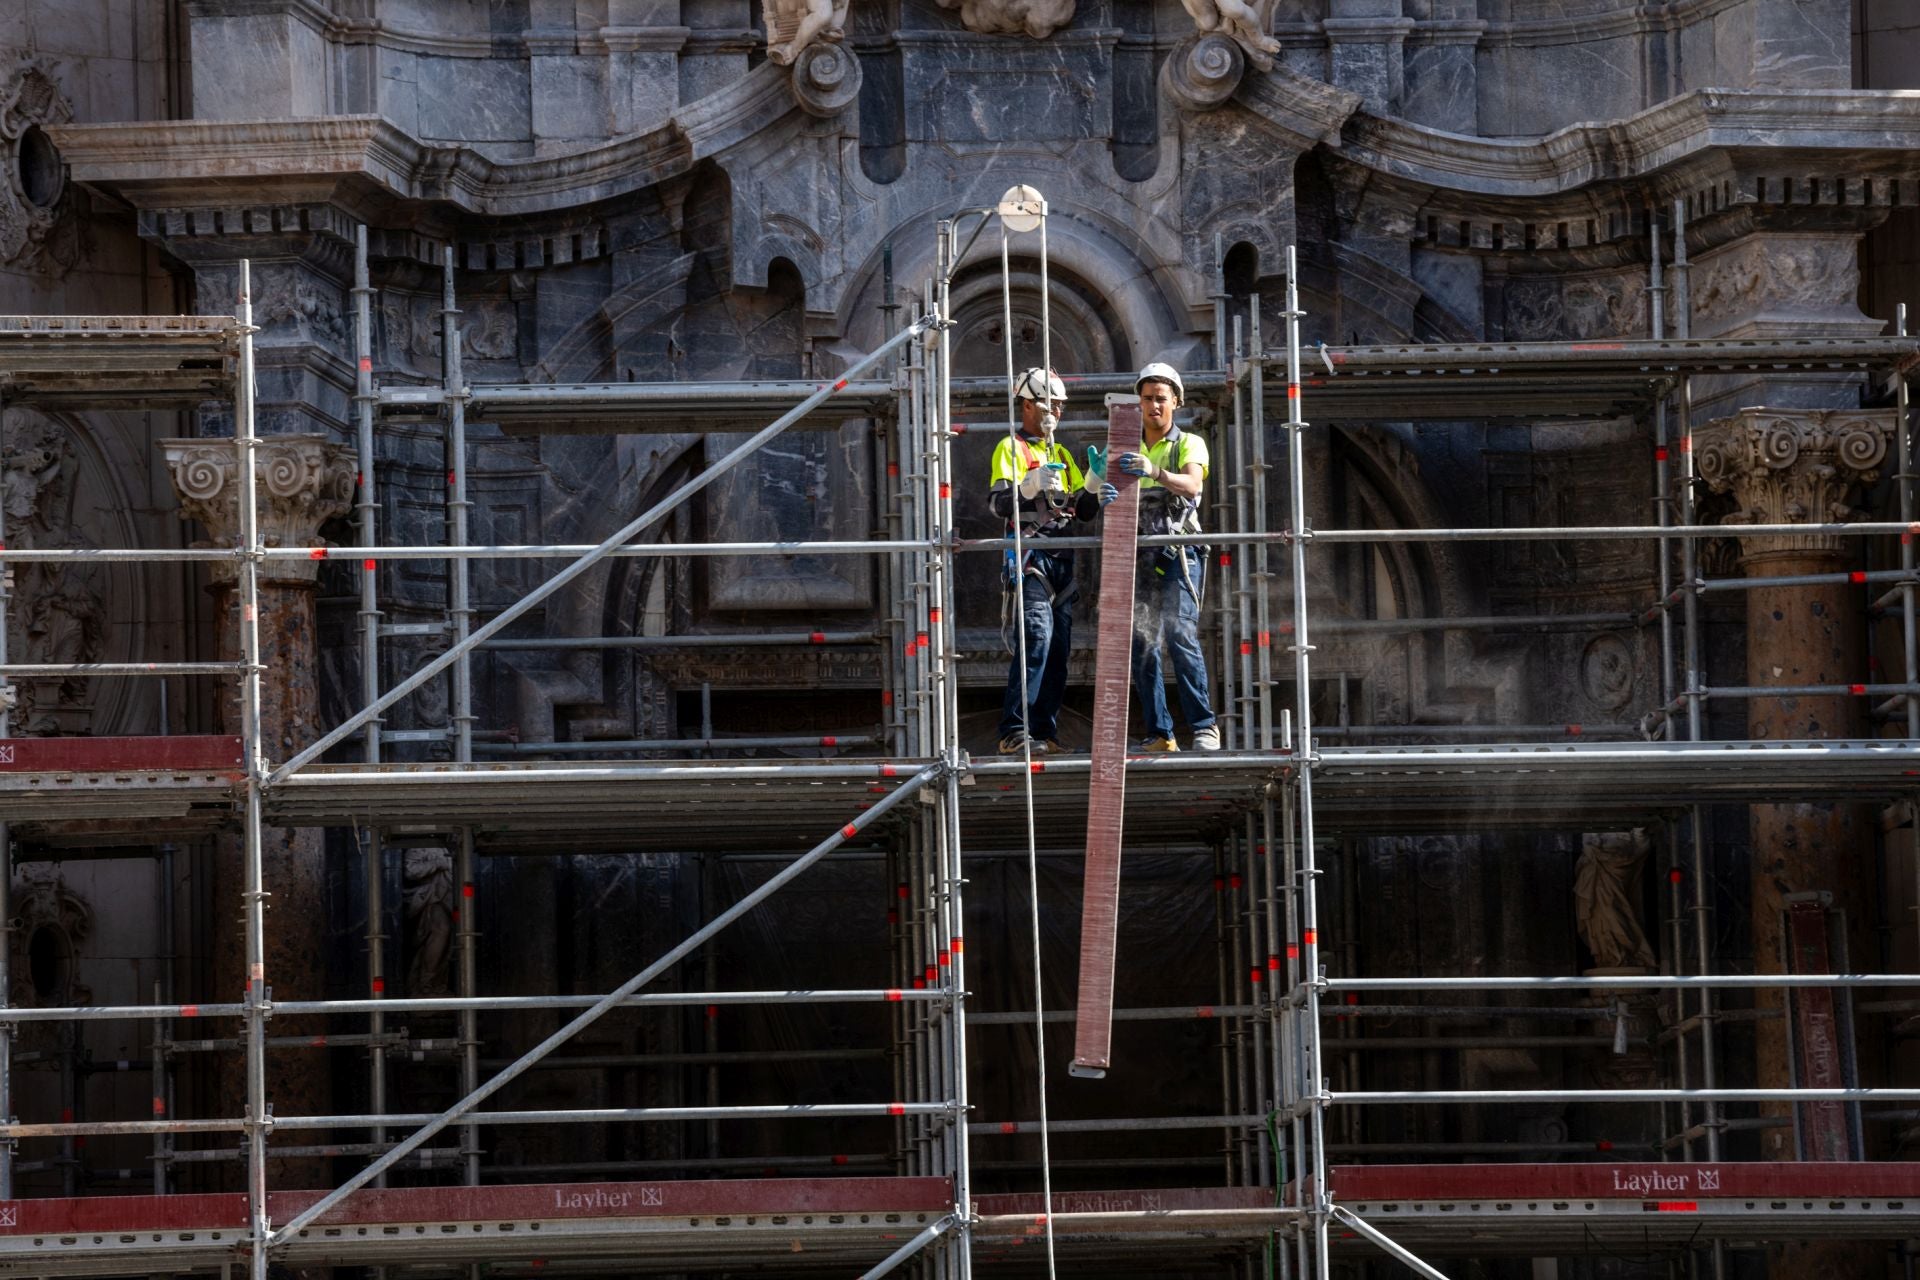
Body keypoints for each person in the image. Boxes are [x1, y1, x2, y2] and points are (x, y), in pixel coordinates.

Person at [990, 367, 1116, 755]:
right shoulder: (1011, 448)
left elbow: (1082, 510)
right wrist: (1029, 484)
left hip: (1062, 561)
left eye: (1060, 406)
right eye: (1050, 404)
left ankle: (1042, 730)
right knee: (1037, 641)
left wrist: (1094, 483)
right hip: (1031, 557)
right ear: (1027, 404)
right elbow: (997, 504)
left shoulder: (1059, 452)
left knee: (1059, 651)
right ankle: (1015, 729)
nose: (1056, 412)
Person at [1118, 362, 1219, 752]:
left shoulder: (1188, 444)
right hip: (1138, 553)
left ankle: (1204, 726)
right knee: (1143, 643)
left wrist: (1155, 471)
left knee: (1180, 632)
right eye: (1147, 399)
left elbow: (1192, 484)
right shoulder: (1126, 443)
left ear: (1176, 401)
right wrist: (1102, 490)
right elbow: (1103, 493)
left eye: (1161, 399)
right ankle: (1160, 733)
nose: (1154, 406)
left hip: (1179, 551)